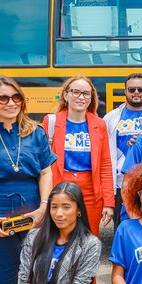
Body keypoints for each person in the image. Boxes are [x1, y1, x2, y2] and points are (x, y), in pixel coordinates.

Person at [0, 75, 57, 284]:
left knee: (38, 280)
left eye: (16, 97)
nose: (10, 103)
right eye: (2, 98)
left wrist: (43, 207)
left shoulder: (36, 132)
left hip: (35, 212)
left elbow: (45, 172)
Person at [43, 75, 114, 236]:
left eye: (86, 93)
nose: (81, 97)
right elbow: (43, 163)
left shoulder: (99, 124)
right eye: (76, 92)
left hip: (91, 192)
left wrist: (108, 203)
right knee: (59, 235)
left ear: (91, 98)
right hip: (59, 187)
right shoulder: (51, 121)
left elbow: (105, 166)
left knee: (88, 237)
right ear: (66, 95)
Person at [19, 182, 101, 284]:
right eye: (54, 207)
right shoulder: (33, 237)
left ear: (79, 210)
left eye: (66, 207)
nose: (58, 213)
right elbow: (25, 281)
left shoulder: (90, 244)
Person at [103, 73, 142, 228]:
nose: (136, 92)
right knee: (123, 228)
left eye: (140, 89)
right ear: (125, 91)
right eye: (132, 89)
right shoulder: (110, 118)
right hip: (120, 183)